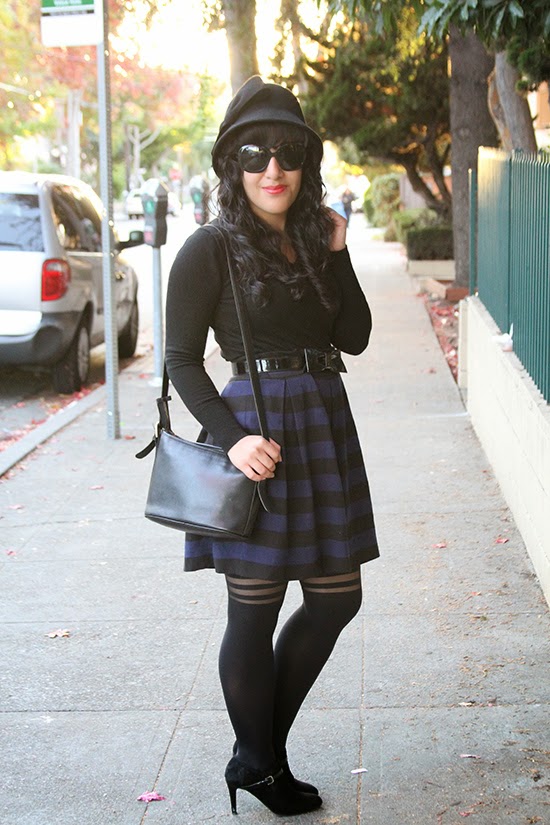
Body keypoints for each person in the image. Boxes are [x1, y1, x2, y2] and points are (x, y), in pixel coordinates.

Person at [165, 76, 379, 817]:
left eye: (287, 153)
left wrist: (341, 249)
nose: (272, 169)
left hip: (321, 419)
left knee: (335, 596)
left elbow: (352, 335)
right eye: (255, 155)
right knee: (252, 611)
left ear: (305, 162)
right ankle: (262, 761)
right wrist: (233, 440)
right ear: (234, 166)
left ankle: (256, 751)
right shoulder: (210, 248)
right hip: (254, 431)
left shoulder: (318, 237)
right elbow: (182, 361)